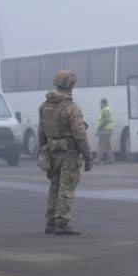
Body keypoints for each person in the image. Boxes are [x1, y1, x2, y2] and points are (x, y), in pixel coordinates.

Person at [38, 70, 92, 235]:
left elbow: (41, 132)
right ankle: (62, 222)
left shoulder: (44, 106)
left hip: (52, 152)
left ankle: (51, 221)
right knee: (66, 187)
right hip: (68, 154)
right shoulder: (72, 108)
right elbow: (80, 135)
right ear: (70, 85)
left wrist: (43, 151)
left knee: (54, 186)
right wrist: (88, 157)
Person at [95, 98, 114, 164]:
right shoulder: (106, 109)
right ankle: (111, 160)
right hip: (107, 130)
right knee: (108, 146)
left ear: (104, 103)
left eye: (101, 103)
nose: (100, 104)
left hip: (104, 130)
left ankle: (98, 160)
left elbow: (106, 120)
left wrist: (100, 127)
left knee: (101, 145)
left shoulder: (105, 110)